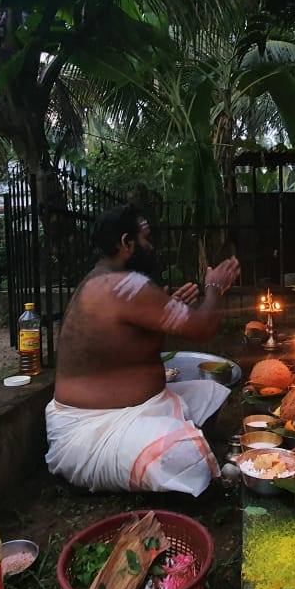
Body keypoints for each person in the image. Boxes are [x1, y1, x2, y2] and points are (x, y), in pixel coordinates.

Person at [45, 204, 241, 495]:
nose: (153, 247)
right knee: (188, 458)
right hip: (94, 430)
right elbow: (203, 328)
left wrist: (166, 306)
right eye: (146, 239)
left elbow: (130, 337)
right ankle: (181, 450)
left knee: (210, 393)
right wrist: (214, 287)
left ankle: (172, 436)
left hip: (139, 408)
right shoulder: (123, 286)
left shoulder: (104, 282)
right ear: (127, 243)